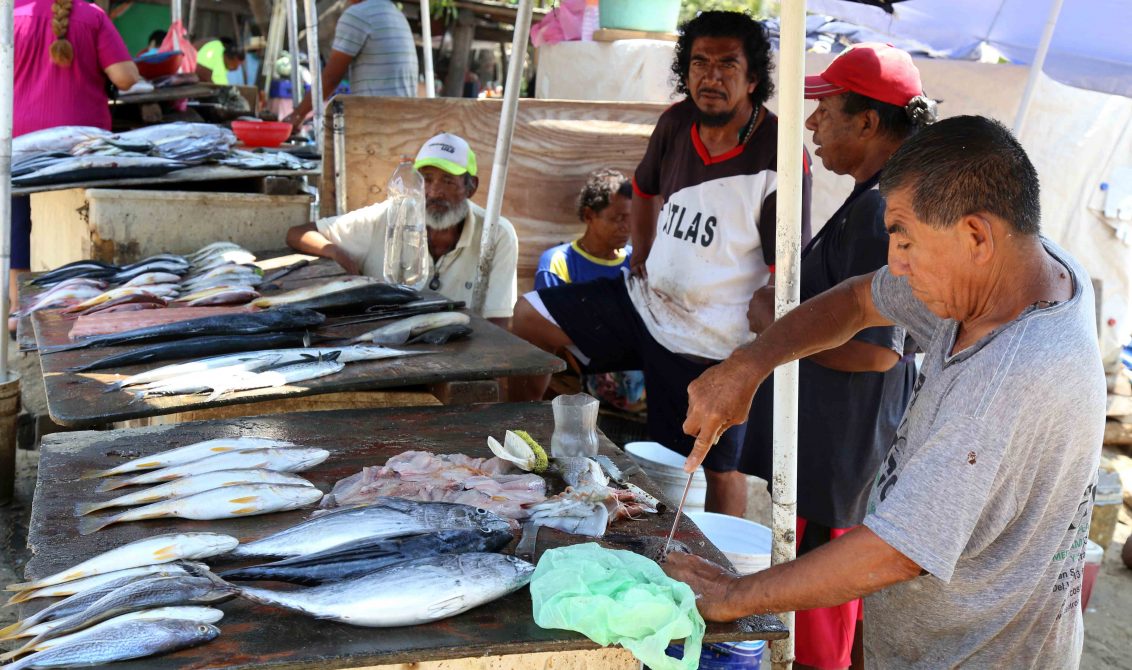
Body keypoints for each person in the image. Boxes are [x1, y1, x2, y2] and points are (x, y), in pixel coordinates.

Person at [667, 115, 1105, 668]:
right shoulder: (1022, 268)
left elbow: (894, 553)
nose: (895, 260)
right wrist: (750, 363)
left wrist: (731, 596)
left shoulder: (1010, 381)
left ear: (976, 236)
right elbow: (857, 301)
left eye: (903, 235)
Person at [507, 11, 812, 516]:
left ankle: (722, 568)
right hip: (644, 303)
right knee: (529, 317)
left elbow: (788, 263)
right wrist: (643, 250)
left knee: (713, 466)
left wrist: (764, 322)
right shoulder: (675, 122)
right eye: (699, 63)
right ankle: (529, 447)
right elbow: (644, 189)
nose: (710, 77)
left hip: (714, 337)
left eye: (727, 65)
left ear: (753, 77)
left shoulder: (779, 153)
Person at [739, 43, 936, 670]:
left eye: (825, 107)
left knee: (821, 627)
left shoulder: (884, 209)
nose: (811, 122)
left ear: (869, 121)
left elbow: (878, 353)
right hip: (836, 452)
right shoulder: (875, 197)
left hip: (841, 460)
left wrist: (780, 330)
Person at [286, 132, 518, 328]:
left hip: (462, 346)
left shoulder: (497, 235)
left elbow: (499, 323)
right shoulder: (389, 215)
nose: (434, 192)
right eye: (426, 180)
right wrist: (336, 253)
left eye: (448, 181)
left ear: (471, 187)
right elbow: (298, 233)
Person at [12, 0, 140, 321]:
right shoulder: (92, 16)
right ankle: (75, 304)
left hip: (20, 140)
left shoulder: (10, 15)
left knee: (16, 220)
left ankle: (20, 310)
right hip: (82, 144)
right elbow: (125, 78)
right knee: (81, 218)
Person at [536, 168, 644, 413]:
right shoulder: (559, 262)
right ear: (588, 215)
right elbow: (551, 335)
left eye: (631, 218)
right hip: (582, 378)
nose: (626, 227)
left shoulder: (636, 260)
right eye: (618, 218)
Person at [284, 0, 418, 129]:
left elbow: (331, 78)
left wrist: (297, 115)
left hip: (379, 123)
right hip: (406, 120)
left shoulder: (358, 15)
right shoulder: (395, 12)